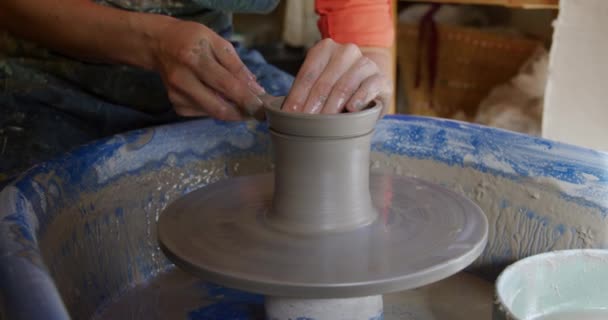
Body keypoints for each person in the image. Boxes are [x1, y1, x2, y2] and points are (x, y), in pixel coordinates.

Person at [0, 0, 394, 183]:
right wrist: (153, 44)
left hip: (213, 60)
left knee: (336, 161)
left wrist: (362, 79)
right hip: (49, 63)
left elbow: (361, 30)